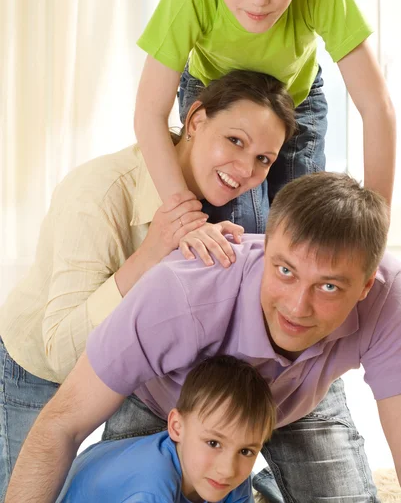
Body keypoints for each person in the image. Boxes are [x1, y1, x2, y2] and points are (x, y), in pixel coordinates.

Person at [6, 172, 401, 503]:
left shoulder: (389, 298)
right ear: (265, 250)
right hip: (169, 402)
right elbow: (62, 424)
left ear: (366, 287)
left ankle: (267, 484)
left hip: (302, 393)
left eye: (329, 287)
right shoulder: (178, 294)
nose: (298, 307)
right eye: (285, 271)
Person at [0, 70, 295, 501]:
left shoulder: (220, 201)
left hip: (137, 372)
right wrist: (152, 253)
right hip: (39, 372)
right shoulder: (97, 195)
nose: (244, 170)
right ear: (195, 120)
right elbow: (59, 353)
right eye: (235, 141)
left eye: (263, 159)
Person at [134, 0, 396, 228]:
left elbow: (376, 106)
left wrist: (377, 223)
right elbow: (149, 112)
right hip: (217, 96)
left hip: (295, 96)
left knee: (303, 225)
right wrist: (186, 220)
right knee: (243, 223)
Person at [56, 355, 275, 502]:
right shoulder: (151, 487)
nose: (228, 469)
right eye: (213, 443)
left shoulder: (227, 475)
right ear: (177, 427)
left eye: (246, 451)